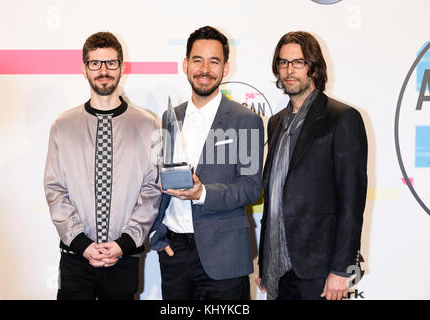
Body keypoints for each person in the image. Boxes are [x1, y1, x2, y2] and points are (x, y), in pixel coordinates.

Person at [44, 32, 162, 300]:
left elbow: (152, 190)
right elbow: (54, 188)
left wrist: (123, 244)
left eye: (110, 63)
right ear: (84, 69)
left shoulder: (147, 124)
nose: (103, 71)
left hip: (124, 259)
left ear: (122, 67)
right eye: (95, 63)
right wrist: (82, 244)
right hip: (75, 258)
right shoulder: (63, 125)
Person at [149, 26, 264, 300]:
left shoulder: (245, 121)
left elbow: (250, 188)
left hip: (224, 255)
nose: (205, 69)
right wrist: (158, 234)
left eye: (214, 61)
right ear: (185, 65)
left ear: (226, 68)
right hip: (174, 254)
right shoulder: (169, 117)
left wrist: (202, 193)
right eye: (198, 60)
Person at [257, 31, 368, 300]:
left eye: (298, 62)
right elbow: (275, 196)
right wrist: (265, 260)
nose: (289, 70)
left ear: (314, 67)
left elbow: (351, 202)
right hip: (278, 269)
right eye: (283, 63)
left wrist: (342, 270)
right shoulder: (276, 122)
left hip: (318, 269)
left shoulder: (342, 118)